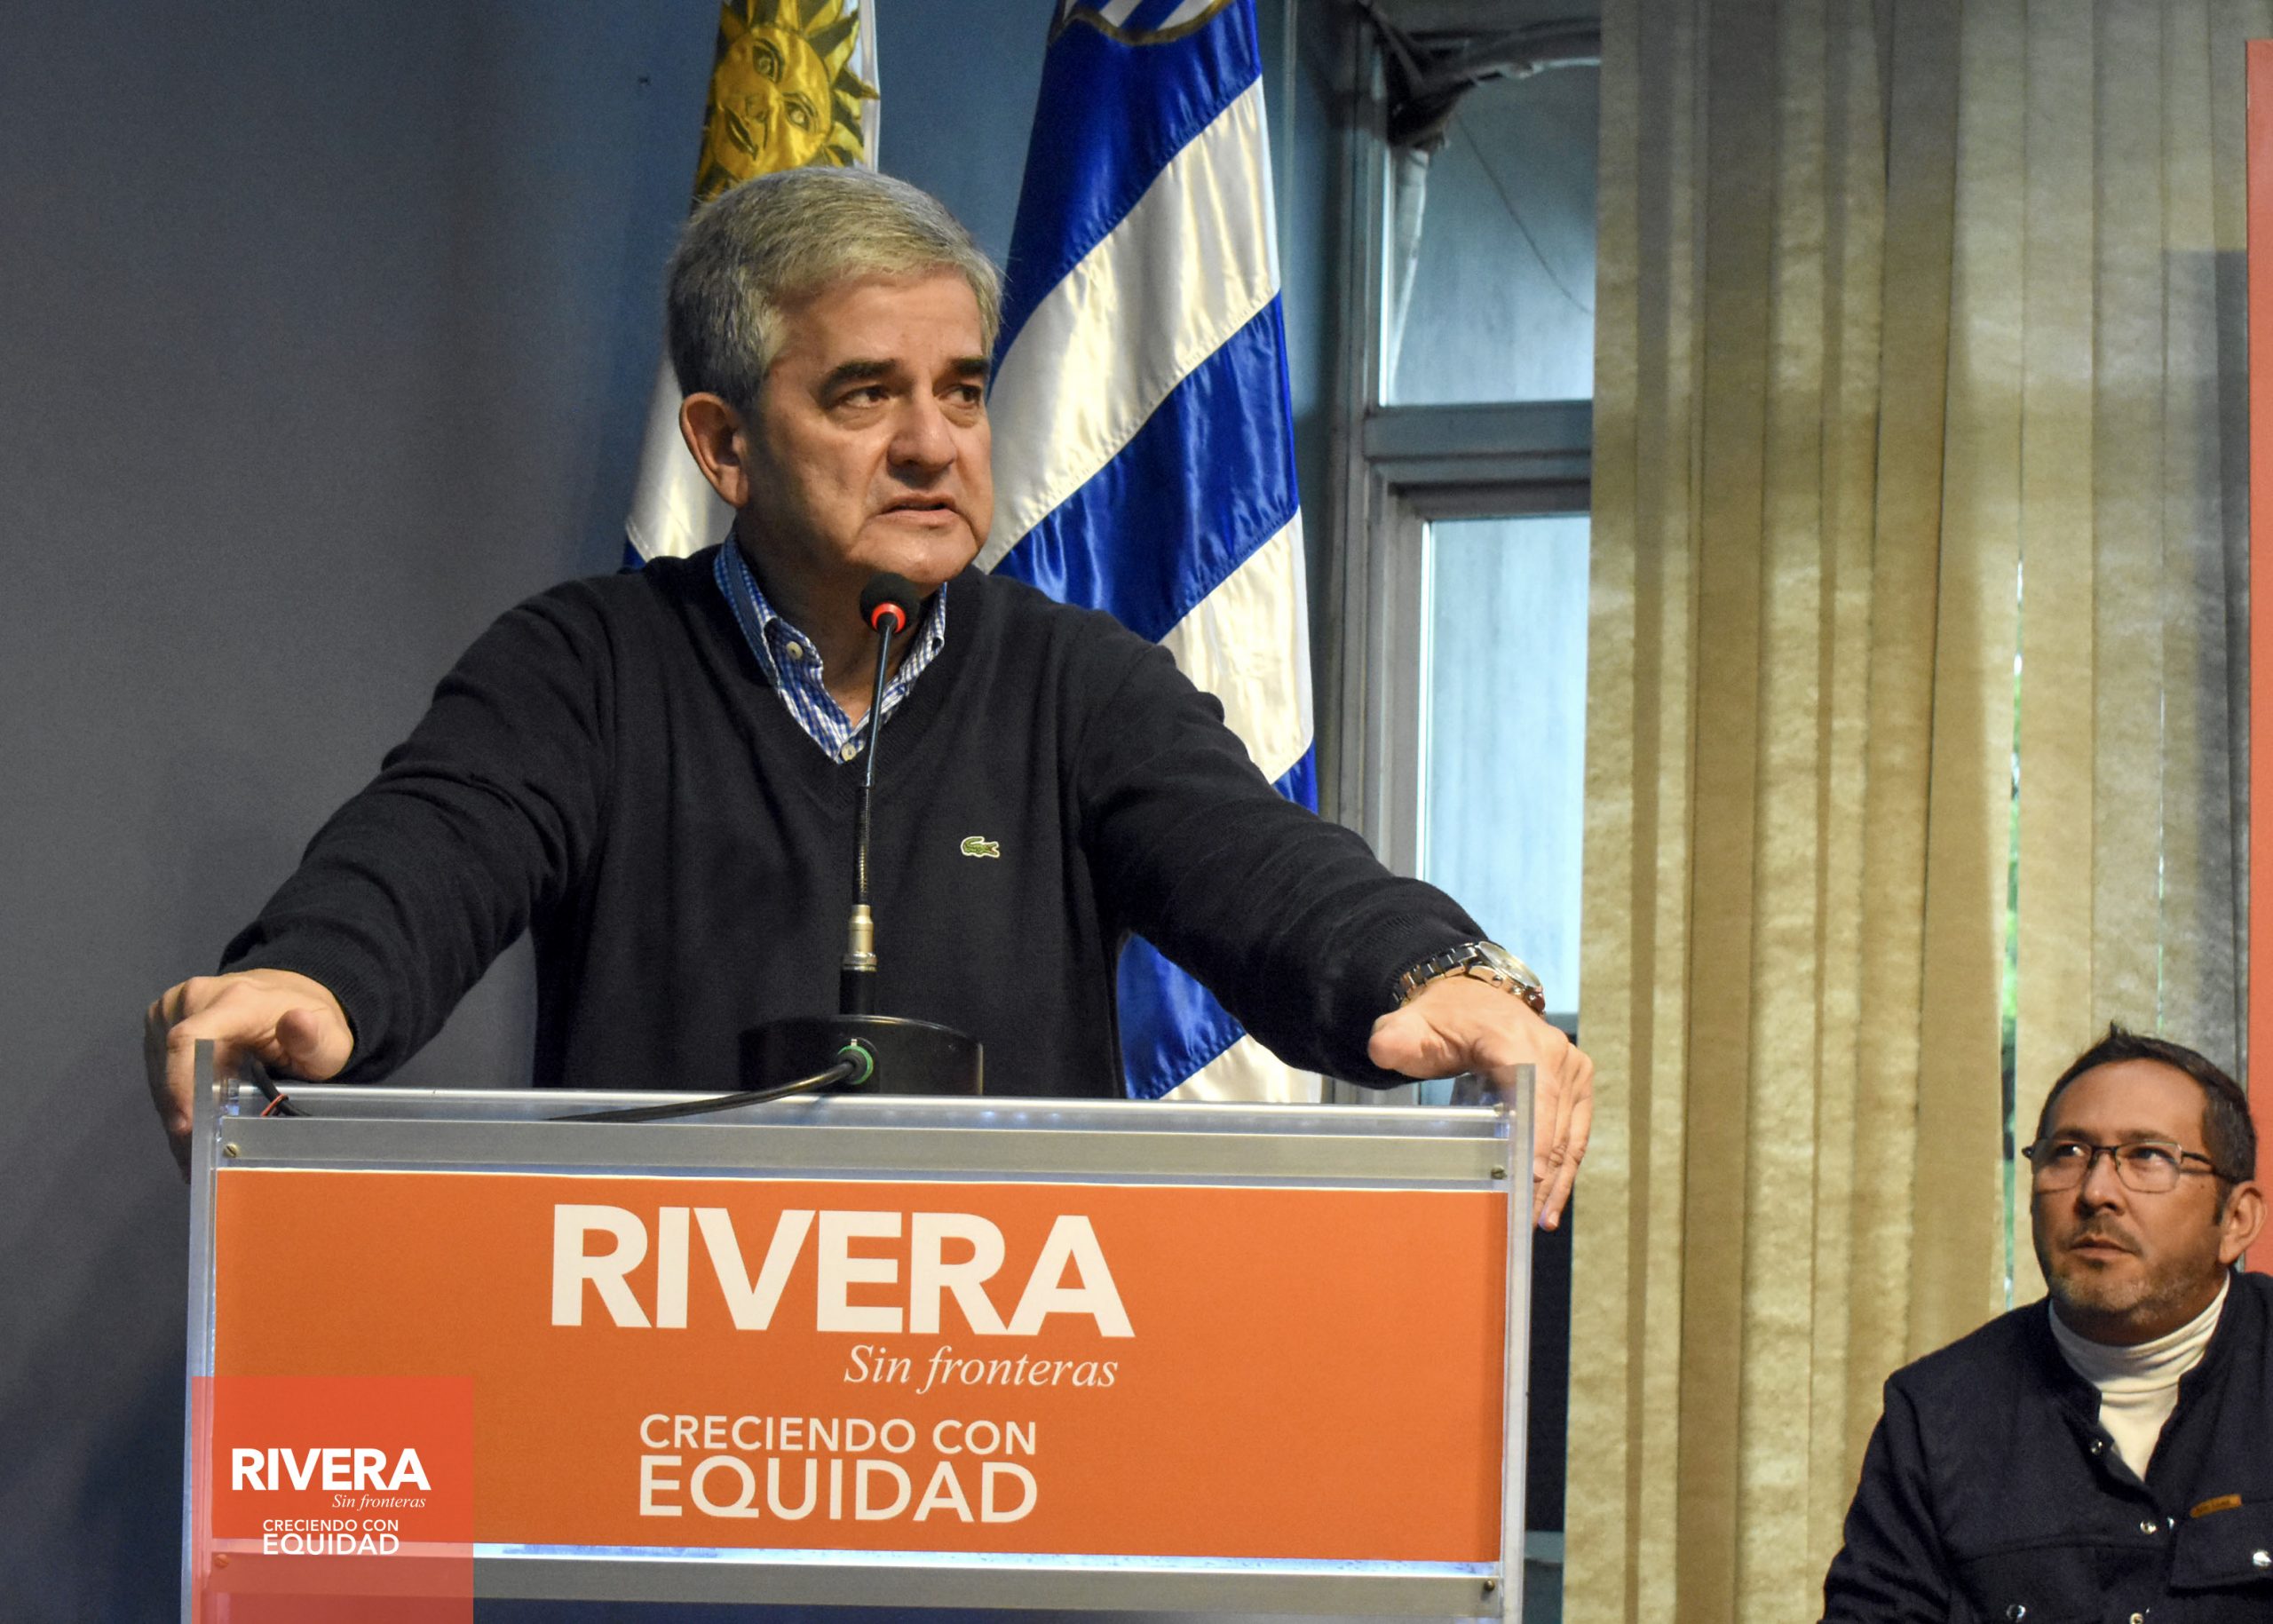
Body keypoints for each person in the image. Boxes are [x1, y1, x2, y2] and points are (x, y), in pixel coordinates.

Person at [143, 167, 1594, 1227]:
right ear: (723, 445)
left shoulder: (1078, 685)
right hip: (661, 1410)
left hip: (1001, 1406)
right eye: (862, 394)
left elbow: (1264, 868)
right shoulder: (585, 668)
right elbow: (430, 850)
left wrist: (1435, 972)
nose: (933, 444)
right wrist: (313, 977)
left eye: (960, 389)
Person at [1820, 1025, 2270, 1621]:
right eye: (2068, 1153)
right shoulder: (1936, 1412)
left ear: (2237, 1220)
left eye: (2147, 1156)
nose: (2096, 1191)